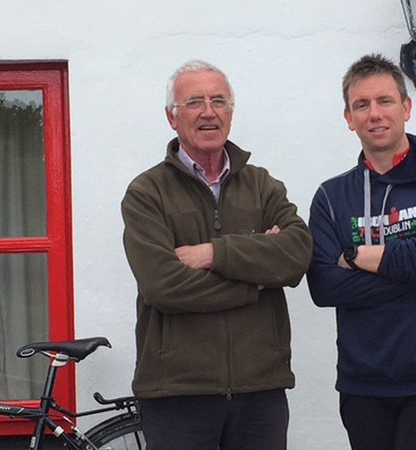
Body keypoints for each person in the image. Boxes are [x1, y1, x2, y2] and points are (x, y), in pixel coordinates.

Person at [121, 60, 313, 450]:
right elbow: (163, 286)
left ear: (231, 112)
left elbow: (297, 252)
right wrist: (256, 281)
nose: (209, 112)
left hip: (260, 390)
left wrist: (214, 254)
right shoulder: (146, 193)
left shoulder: (262, 185)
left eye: (219, 101)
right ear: (172, 118)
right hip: (177, 395)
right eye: (194, 101)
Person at [306, 53, 416, 450]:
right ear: (349, 118)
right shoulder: (331, 197)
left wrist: (354, 256)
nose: (374, 114)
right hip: (363, 383)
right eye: (361, 105)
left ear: (406, 107)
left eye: (385, 101)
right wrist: (415, 258)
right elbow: (324, 287)